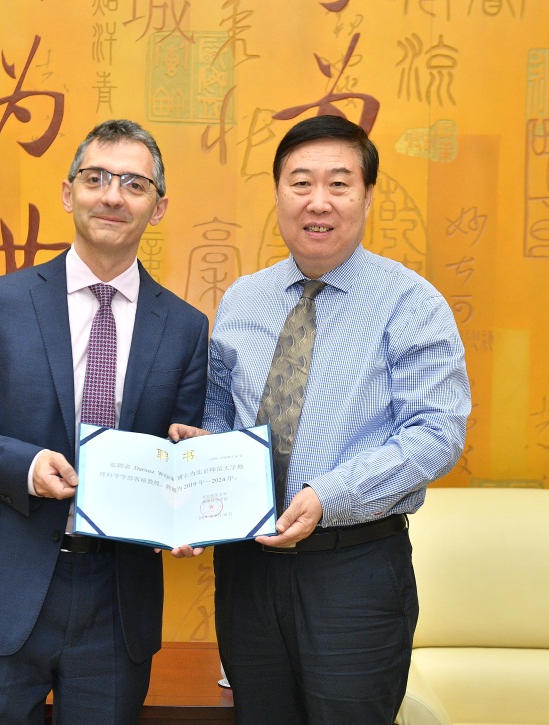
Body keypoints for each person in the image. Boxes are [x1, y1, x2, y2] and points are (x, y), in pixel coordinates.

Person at [170, 114, 471, 724]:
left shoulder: (411, 303)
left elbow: (437, 434)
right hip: (247, 568)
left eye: (339, 183)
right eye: (301, 182)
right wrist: (199, 457)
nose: (318, 202)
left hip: (352, 569)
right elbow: (220, 413)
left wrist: (326, 497)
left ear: (367, 195)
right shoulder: (243, 299)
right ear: (278, 192)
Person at [0, 119, 209, 724]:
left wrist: (190, 491)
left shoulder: (185, 328)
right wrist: (26, 467)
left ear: (158, 207)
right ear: (67, 191)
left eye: (134, 183)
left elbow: (180, 448)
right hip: (2, 582)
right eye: (95, 178)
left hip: (118, 596)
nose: (112, 196)